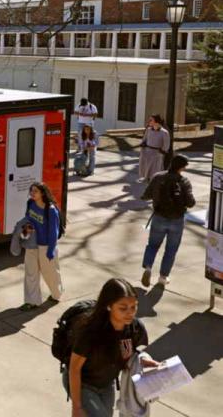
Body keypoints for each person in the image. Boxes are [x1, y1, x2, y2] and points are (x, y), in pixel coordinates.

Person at [65, 278, 159, 417]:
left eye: (134, 307)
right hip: (83, 385)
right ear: (109, 306)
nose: (130, 313)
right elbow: (74, 369)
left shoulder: (134, 328)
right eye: (123, 308)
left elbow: (130, 355)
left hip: (107, 385)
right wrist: (77, 407)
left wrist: (143, 360)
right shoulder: (90, 332)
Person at [140, 154, 195, 287]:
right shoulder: (184, 181)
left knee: (152, 245)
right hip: (177, 220)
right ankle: (163, 277)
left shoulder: (158, 177)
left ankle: (148, 268)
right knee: (171, 249)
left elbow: (145, 196)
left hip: (159, 217)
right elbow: (191, 203)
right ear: (182, 167)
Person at [18, 182, 64, 310]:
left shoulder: (51, 210)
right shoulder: (30, 204)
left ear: (42, 193)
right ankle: (31, 301)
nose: (32, 193)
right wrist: (24, 232)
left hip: (46, 246)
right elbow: (27, 219)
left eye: (35, 191)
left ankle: (56, 294)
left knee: (50, 274)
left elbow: (53, 232)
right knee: (30, 273)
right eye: (31, 191)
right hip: (32, 245)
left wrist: (51, 250)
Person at [138, 114, 170, 182]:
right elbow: (144, 139)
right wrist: (143, 148)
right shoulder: (148, 130)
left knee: (155, 168)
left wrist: (162, 152)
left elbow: (166, 144)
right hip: (147, 151)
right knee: (146, 166)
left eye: (151, 120)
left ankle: (154, 180)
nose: (149, 121)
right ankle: (146, 178)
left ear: (156, 121)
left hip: (157, 153)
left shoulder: (164, 132)